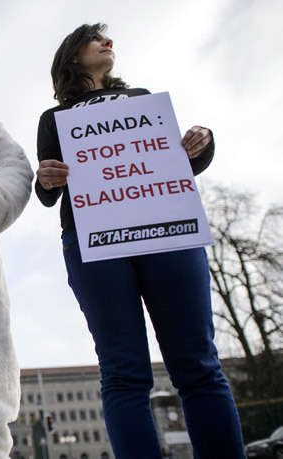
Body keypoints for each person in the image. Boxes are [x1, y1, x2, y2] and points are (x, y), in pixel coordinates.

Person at [36, 24, 245, 458]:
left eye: (108, 38)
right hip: (93, 241)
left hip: (166, 228)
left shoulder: (143, 99)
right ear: (73, 57)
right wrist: (45, 178)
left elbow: (176, 167)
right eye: (96, 39)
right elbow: (48, 191)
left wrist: (200, 144)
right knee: (124, 372)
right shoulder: (53, 119)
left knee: (198, 365)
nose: (108, 42)